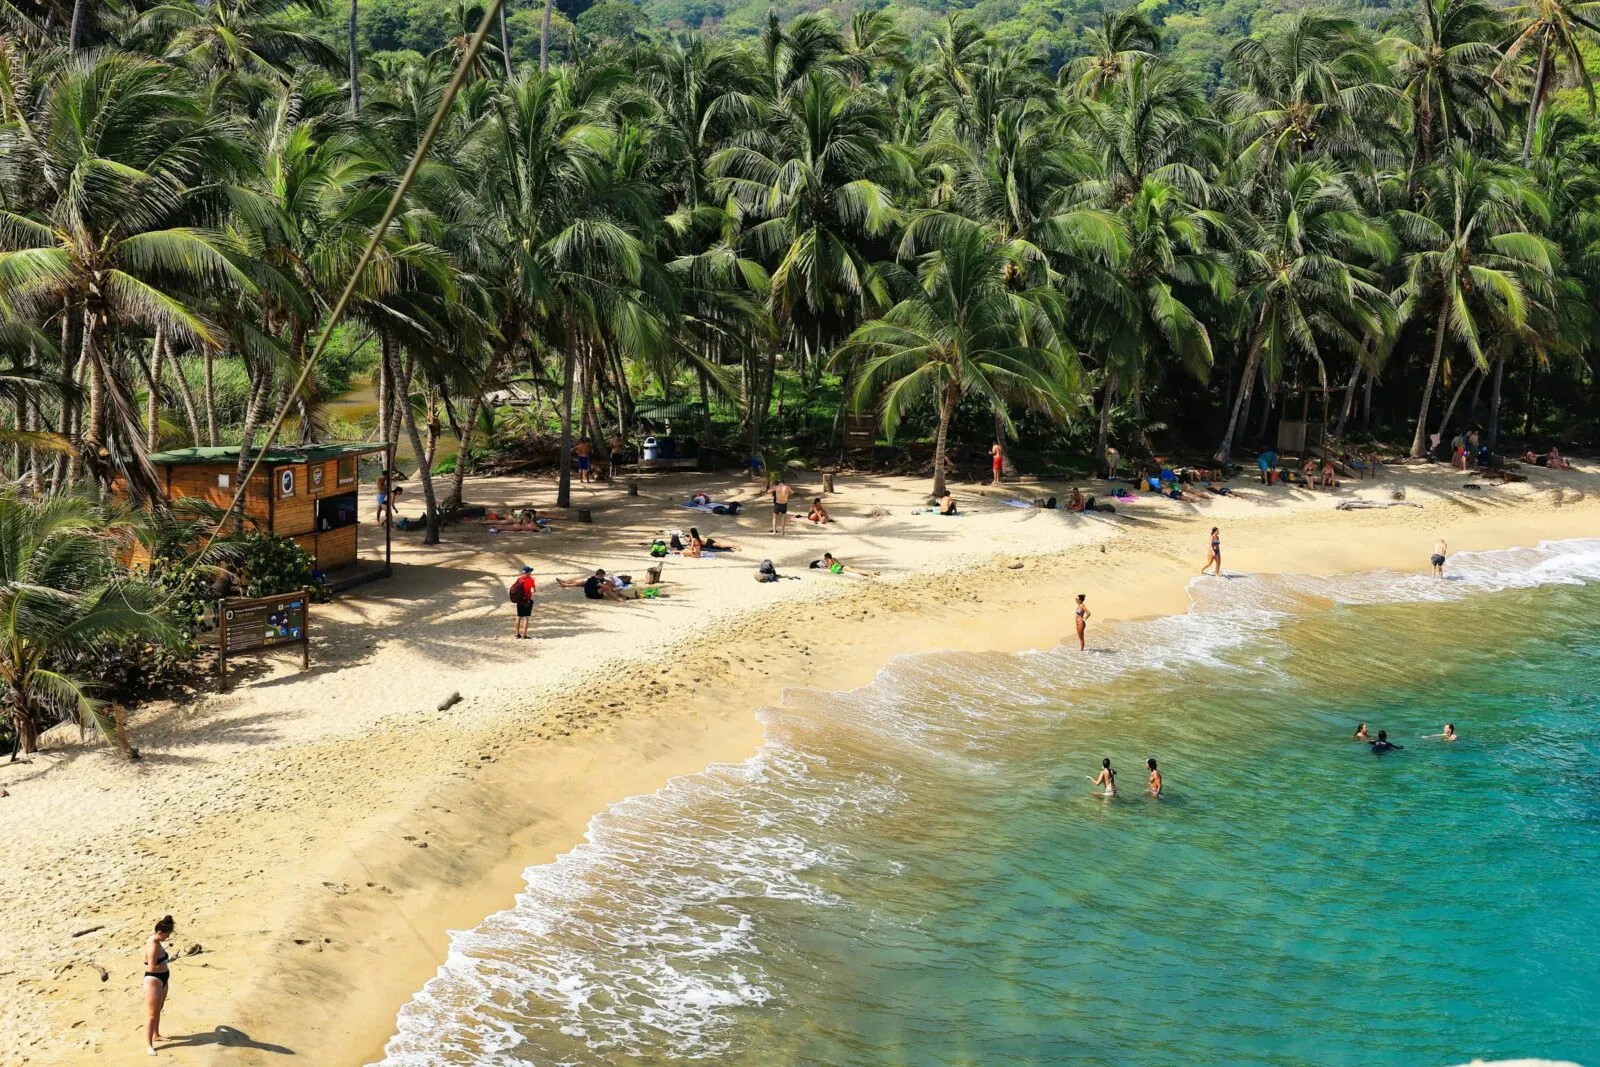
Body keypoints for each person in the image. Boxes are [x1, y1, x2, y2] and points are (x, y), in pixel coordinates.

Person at [143, 915, 175, 1055]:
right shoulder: (152, 945)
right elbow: (151, 968)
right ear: (160, 932)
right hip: (153, 980)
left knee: (159, 1008)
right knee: (152, 1014)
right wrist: (168, 961)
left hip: (163, 978)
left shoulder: (157, 939)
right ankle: (148, 1045)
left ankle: (156, 1035)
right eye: (166, 935)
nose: (167, 938)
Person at [558, 568, 628, 602]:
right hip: (592, 595)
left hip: (589, 593)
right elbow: (604, 587)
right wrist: (611, 589)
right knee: (605, 588)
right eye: (603, 576)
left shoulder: (595, 578)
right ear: (600, 575)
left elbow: (606, 581)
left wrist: (609, 581)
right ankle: (617, 599)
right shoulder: (596, 580)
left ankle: (565, 583)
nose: (603, 577)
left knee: (607, 586)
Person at [509, 565, 536, 639]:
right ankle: (524, 635)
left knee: (518, 617)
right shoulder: (530, 580)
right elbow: (532, 590)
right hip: (526, 601)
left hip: (519, 601)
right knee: (526, 617)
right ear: (529, 572)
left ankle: (517, 634)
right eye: (530, 571)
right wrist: (533, 591)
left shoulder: (519, 579)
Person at [810, 552, 878, 577]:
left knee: (856, 572)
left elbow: (830, 568)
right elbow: (839, 564)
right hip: (844, 566)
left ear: (827, 557)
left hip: (843, 568)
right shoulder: (834, 558)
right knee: (858, 569)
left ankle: (870, 574)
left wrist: (825, 567)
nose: (824, 559)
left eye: (825, 558)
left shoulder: (830, 560)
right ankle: (873, 572)